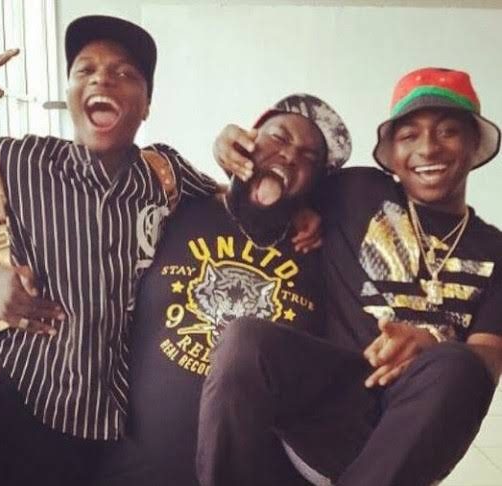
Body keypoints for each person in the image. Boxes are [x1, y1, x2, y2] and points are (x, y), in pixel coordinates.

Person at [0, 93, 352, 486]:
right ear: (246, 140)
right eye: (280, 137)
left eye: (309, 157)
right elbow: (80, 239)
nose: (290, 156)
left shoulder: (323, 251)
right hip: (131, 472)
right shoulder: (176, 207)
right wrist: (1, 271)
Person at [197, 67, 502, 486]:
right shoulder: (355, 189)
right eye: (409, 135)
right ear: (392, 154)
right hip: (326, 405)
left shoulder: (495, 249)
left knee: (459, 364)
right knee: (244, 339)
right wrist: (230, 153)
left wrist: (433, 345)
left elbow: (489, 360)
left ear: (473, 146)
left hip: (411, 430)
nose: (428, 147)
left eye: (449, 132)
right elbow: (275, 184)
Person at [0, 15, 217, 486]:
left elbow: (237, 207)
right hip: (11, 398)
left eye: (124, 72)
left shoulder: (164, 176)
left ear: (146, 105)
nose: (101, 79)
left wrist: (295, 204)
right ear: (71, 94)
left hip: (103, 428)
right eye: (85, 70)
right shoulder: (18, 162)